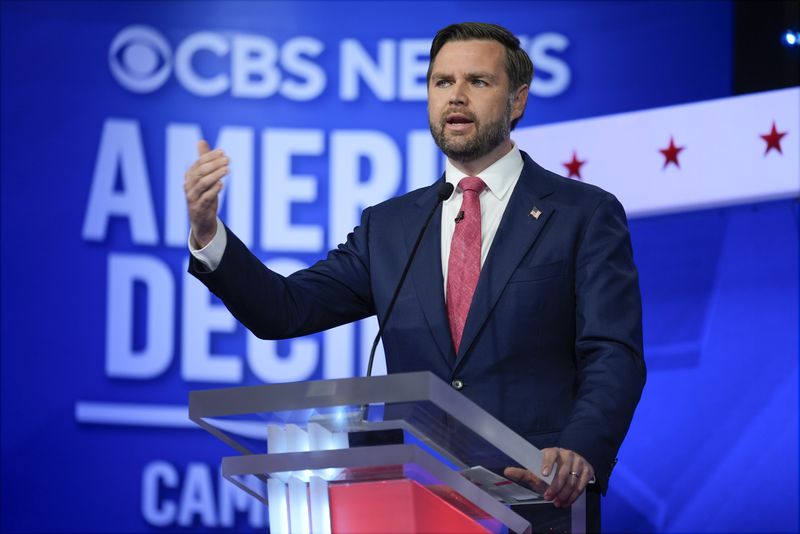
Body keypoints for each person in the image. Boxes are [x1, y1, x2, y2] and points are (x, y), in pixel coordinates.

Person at [185, 22, 645, 530]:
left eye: (478, 81)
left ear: (517, 101)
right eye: (442, 82)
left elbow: (612, 353)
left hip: (536, 499)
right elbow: (284, 310)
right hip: (414, 503)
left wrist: (578, 451)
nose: (457, 97)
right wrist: (209, 233)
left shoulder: (582, 213)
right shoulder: (392, 226)